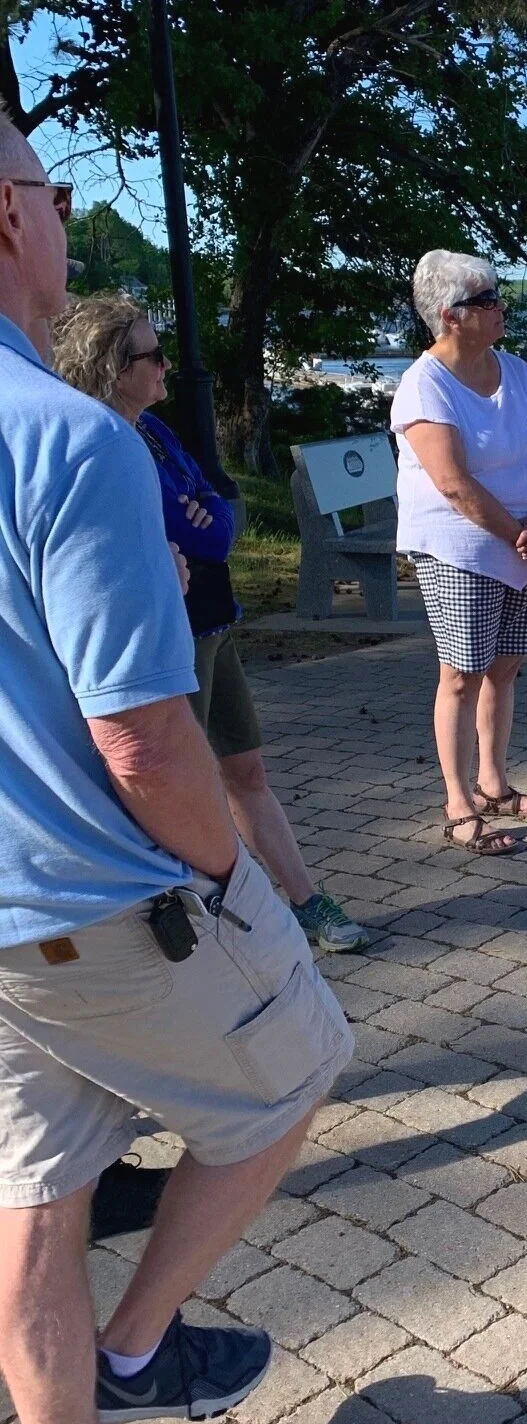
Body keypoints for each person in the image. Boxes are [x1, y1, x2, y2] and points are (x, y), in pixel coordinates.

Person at [0, 113, 353, 1424]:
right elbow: (145, 736)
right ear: (13, 220)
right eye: (53, 189)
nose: (66, 217)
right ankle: (141, 1353)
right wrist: (233, 882)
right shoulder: (70, 440)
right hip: (99, 900)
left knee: (33, 1201)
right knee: (300, 1065)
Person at [54, 294, 370, 956]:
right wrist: (194, 521)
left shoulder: (155, 433)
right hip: (174, 639)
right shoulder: (103, 445)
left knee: (246, 769)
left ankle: (306, 903)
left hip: (217, 622)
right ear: (115, 368)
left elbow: (216, 521)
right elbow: (173, 524)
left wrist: (200, 519)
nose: (169, 364)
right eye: (153, 353)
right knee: (183, 790)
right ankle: (213, 931)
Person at [391, 250, 527, 855]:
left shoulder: (515, 370)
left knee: (506, 666)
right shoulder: (425, 384)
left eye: (497, 296)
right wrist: (518, 533)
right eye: (486, 299)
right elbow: (452, 483)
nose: (500, 308)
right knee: (462, 674)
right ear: (450, 316)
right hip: (460, 548)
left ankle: (494, 783)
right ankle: (458, 801)